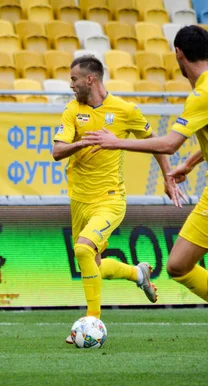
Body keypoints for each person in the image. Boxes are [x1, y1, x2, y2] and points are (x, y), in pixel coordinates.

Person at [83, 25, 208, 375]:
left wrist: (115, 141)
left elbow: (168, 142)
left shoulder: (204, 93)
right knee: (178, 266)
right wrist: (190, 164)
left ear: (179, 54)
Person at [52, 55, 181, 344]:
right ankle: (138, 273)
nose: (70, 84)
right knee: (93, 267)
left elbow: (155, 143)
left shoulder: (125, 110)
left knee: (83, 251)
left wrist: (168, 176)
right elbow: (57, 151)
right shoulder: (73, 111)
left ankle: (92, 322)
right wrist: (80, 143)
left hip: (110, 199)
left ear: (90, 79)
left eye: (74, 79)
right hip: (79, 201)